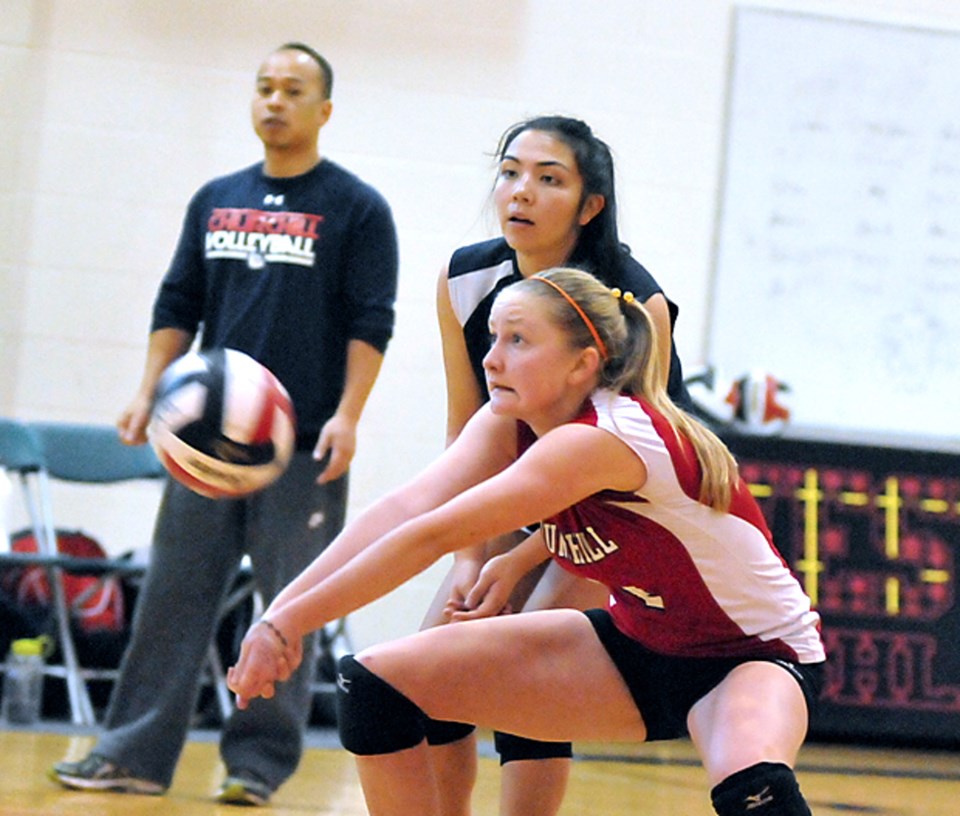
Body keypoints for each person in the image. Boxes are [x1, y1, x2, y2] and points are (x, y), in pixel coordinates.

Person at [227, 267, 826, 816]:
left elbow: (432, 534)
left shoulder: (602, 437)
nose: (491, 360)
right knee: (374, 684)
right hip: (639, 647)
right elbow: (403, 509)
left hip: (754, 653)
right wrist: (278, 615)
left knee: (751, 787)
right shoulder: (509, 424)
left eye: (518, 340)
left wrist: (288, 626)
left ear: (582, 364)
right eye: (491, 338)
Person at [48, 42, 399, 807]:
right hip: (202, 449)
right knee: (171, 596)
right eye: (265, 87)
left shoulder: (358, 207)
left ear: (324, 110)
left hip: (301, 446)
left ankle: (257, 767)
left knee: (288, 608)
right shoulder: (216, 197)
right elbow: (178, 304)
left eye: (293, 90)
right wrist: (148, 394)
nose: (275, 100)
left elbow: (373, 321)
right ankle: (131, 754)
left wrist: (347, 415)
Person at [425, 114, 695, 816]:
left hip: (620, 515)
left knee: (523, 679)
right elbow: (466, 435)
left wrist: (513, 565)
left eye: (549, 180)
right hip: (523, 498)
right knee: (428, 668)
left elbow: (632, 468)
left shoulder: (633, 303)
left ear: (590, 206)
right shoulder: (465, 277)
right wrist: (467, 559)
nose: (521, 191)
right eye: (511, 172)